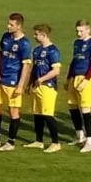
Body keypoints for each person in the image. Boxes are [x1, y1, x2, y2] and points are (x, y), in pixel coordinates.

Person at [0, 12, 32, 150]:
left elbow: (26, 65)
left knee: (13, 111)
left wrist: (21, 85)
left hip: (13, 81)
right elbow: (1, 53)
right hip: (1, 79)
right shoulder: (6, 36)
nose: (8, 26)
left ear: (19, 26)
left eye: (11, 25)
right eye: (8, 23)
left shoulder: (25, 44)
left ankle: (11, 142)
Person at [67, 19, 91, 153]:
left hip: (85, 78)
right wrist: (68, 77)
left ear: (88, 30)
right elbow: (74, 60)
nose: (79, 33)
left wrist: (86, 79)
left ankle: (90, 142)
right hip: (74, 77)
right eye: (77, 31)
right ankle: (80, 136)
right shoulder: (77, 43)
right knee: (72, 106)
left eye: (81, 31)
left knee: (85, 109)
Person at [27, 24, 63, 153]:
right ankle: (39, 141)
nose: (34, 36)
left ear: (44, 35)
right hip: (36, 87)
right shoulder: (36, 50)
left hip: (48, 87)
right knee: (37, 115)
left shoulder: (53, 50)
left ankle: (56, 142)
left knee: (48, 115)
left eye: (36, 34)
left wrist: (42, 79)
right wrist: (29, 84)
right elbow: (34, 69)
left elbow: (56, 71)